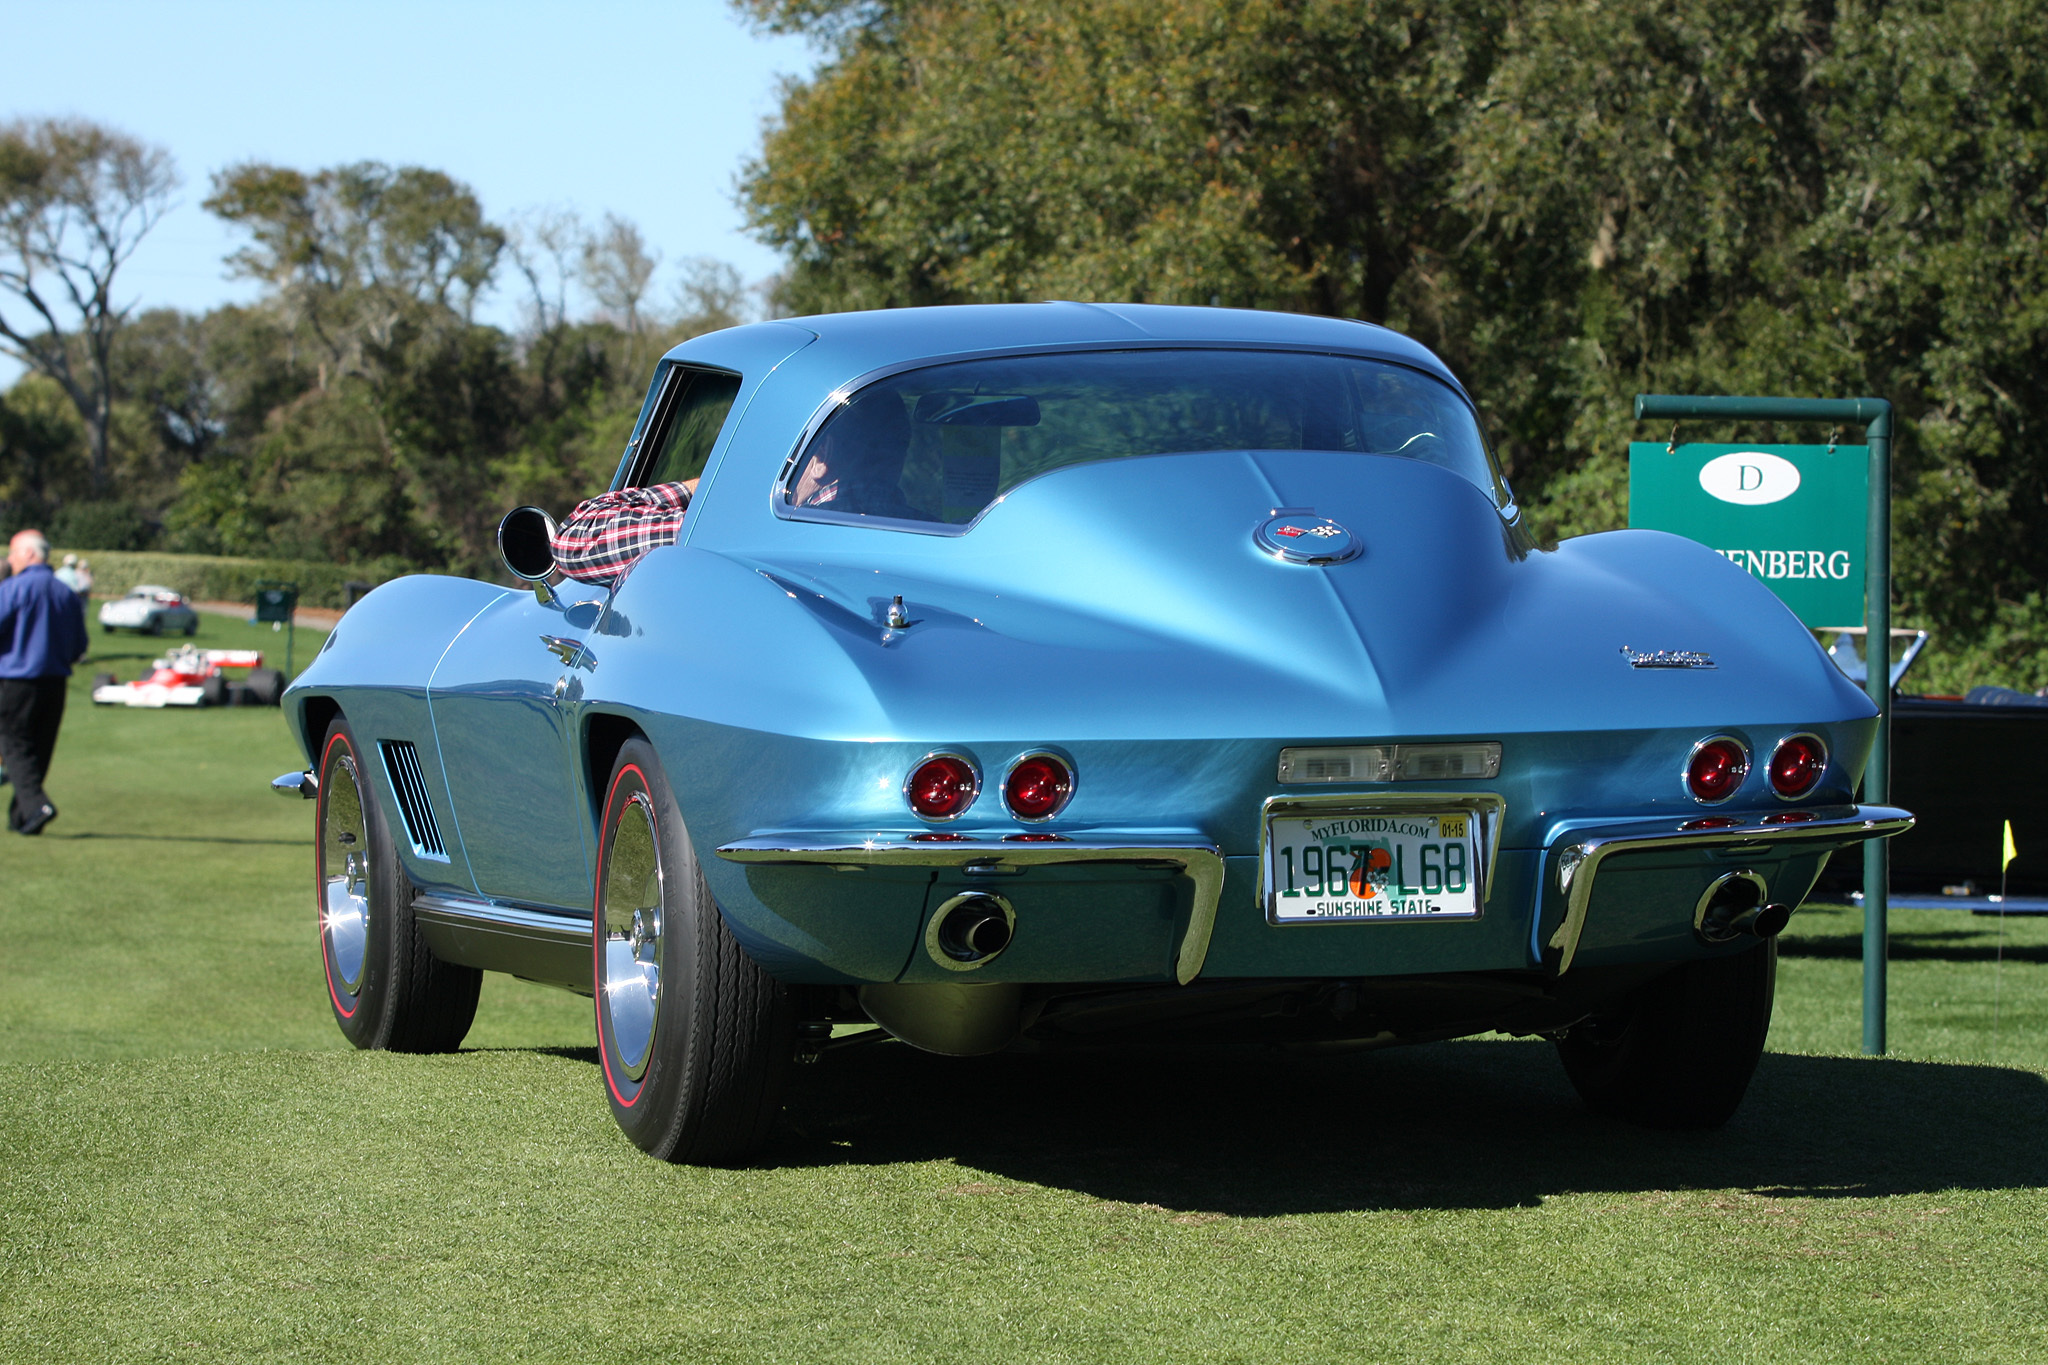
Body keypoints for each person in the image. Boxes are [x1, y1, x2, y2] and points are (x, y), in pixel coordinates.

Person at [0, 529, 89, 835]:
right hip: (56, 683)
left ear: (28, 554)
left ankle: (38, 807)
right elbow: (79, 646)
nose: (9, 560)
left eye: (12, 553)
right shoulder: (66, 594)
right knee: (39, 749)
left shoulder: (13, 589)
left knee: (14, 745)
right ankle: (23, 816)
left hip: (17, 680)